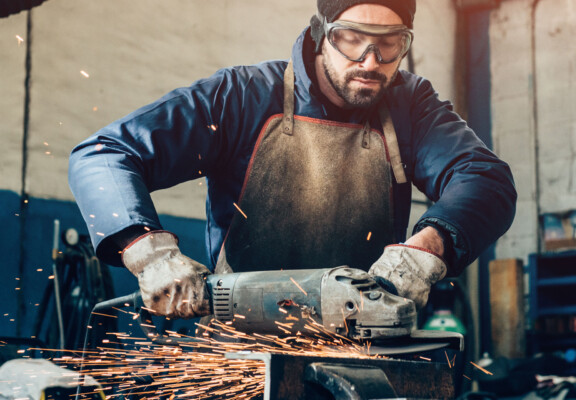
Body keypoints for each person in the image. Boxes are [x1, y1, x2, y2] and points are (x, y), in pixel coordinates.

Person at [69, 0, 517, 319]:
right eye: (351, 39)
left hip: (363, 336)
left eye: (389, 45)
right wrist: (149, 256)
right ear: (322, 34)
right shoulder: (241, 98)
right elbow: (104, 153)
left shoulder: (410, 105)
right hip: (239, 342)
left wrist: (425, 249)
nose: (370, 61)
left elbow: (485, 180)